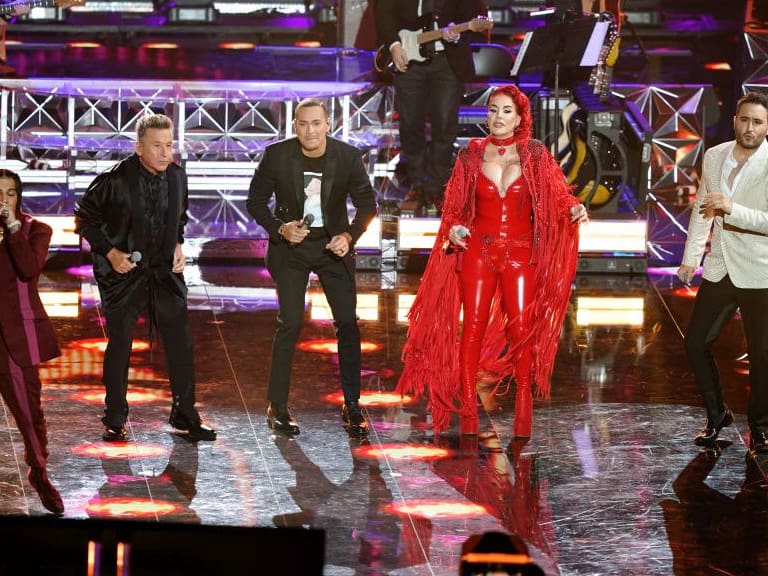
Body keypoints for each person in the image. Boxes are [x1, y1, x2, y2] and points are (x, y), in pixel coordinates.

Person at [398, 85, 588, 437]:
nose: (497, 118)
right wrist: (454, 230)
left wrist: (572, 208)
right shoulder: (470, 155)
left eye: (505, 112)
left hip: (519, 254)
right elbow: (454, 209)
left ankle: (523, 410)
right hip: (478, 251)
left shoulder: (534, 154)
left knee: (520, 330)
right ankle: (468, 407)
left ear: (520, 118)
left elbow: (559, 194)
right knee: (472, 326)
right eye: (492, 110)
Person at [74, 113, 216, 443]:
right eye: (157, 146)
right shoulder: (116, 180)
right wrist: (111, 253)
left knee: (180, 342)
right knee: (121, 343)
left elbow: (179, 215)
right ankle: (115, 417)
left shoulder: (178, 176)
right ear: (139, 148)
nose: (166, 153)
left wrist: (178, 242)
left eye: (169, 145)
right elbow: (84, 219)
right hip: (124, 274)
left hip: (164, 271)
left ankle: (184, 412)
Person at [246, 97, 377, 436]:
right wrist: (279, 228)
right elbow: (255, 201)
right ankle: (278, 405)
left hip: (332, 247)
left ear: (327, 125)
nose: (310, 131)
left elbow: (366, 205)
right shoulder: (278, 155)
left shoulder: (347, 158)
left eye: (316, 123)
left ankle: (351, 405)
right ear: (294, 127)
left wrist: (350, 235)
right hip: (291, 247)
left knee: (347, 322)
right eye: (303, 124)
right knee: (289, 323)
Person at [678, 91, 768, 454]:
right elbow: (704, 206)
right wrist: (690, 257)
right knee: (695, 343)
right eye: (744, 120)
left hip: (761, 269)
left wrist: (732, 208)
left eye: (758, 122)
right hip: (720, 266)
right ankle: (717, 415)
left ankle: (760, 427)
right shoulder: (715, 156)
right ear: (734, 120)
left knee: (763, 354)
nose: (750, 127)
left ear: (767, 126)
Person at [375, 0, 489, 215]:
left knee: (445, 125)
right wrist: (393, 45)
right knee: (409, 124)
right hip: (408, 57)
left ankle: (437, 188)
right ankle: (417, 185)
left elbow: (471, 13)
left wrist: (458, 33)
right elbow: (383, 12)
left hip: (447, 60)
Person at [0, 168, 64, 514]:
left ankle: (39, 474)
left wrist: (11, 228)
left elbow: (28, 269)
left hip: (14, 340)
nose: (3, 200)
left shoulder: (35, 231)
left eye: (9, 193)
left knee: (29, 415)